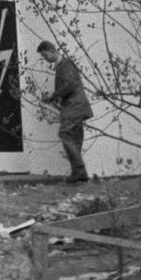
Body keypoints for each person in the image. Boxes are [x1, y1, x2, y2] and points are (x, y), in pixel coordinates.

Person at [38, 41, 94, 183]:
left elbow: (69, 84)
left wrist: (53, 95)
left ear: (52, 50)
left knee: (65, 133)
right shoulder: (62, 65)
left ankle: (79, 170)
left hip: (75, 105)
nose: (45, 59)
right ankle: (78, 174)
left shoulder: (65, 64)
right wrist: (54, 98)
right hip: (77, 105)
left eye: (45, 55)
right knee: (75, 137)